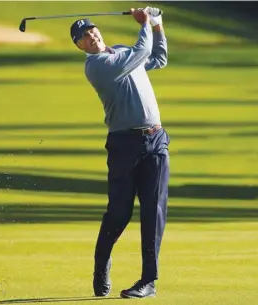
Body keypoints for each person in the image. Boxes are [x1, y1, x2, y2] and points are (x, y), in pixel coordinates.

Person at [70, 7, 170, 299]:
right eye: (83, 37)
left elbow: (158, 59)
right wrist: (145, 23)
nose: (91, 36)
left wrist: (158, 25)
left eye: (92, 31)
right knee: (119, 213)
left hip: (155, 141)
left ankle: (148, 281)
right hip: (124, 146)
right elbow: (141, 53)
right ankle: (101, 263)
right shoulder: (96, 66)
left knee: (154, 211)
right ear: (79, 47)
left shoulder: (124, 53)